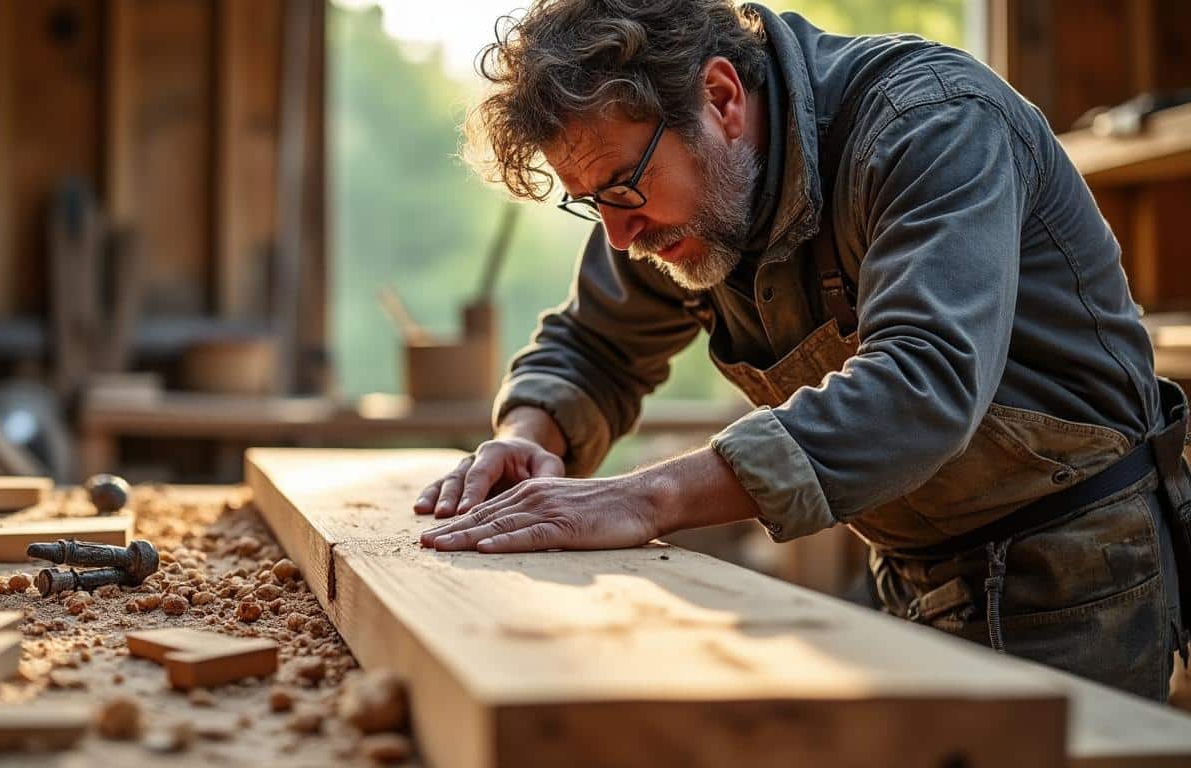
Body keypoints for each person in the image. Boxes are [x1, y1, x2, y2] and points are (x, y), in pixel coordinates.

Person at [412, 0, 1191, 702]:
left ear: (719, 99)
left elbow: (922, 384)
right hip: (907, 566)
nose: (619, 233)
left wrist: (641, 497)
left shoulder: (932, 125)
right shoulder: (669, 189)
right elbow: (592, 347)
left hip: (1075, 571)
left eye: (621, 188)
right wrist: (526, 439)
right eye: (591, 204)